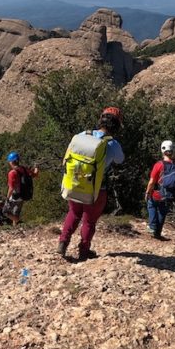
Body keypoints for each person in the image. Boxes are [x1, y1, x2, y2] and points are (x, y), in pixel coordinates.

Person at [57, 106, 125, 260]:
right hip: (97, 188)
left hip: (75, 183)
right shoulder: (112, 144)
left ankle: (62, 243)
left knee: (73, 213)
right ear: (117, 125)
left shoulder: (83, 134)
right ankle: (84, 251)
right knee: (89, 220)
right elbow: (120, 160)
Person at [144, 139, 175, 239]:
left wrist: (148, 192)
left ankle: (152, 227)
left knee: (151, 204)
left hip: (158, 193)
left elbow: (152, 182)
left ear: (162, 150)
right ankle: (158, 233)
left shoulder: (159, 164)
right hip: (169, 195)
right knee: (162, 212)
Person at [3, 151, 39, 225]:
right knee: (15, 213)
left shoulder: (12, 173)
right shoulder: (24, 169)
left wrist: (7, 198)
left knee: (5, 211)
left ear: (11, 162)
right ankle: (16, 227)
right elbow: (35, 175)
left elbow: (11, 188)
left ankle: (20, 223)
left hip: (15, 196)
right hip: (23, 195)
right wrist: (36, 167)